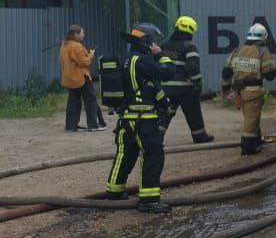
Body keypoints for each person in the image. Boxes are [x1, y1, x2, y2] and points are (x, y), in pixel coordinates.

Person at [105, 22, 175, 213]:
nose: (156, 44)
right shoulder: (143, 61)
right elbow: (168, 73)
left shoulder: (125, 59)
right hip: (143, 120)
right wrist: (160, 55)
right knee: (153, 155)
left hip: (126, 119)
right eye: (154, 41)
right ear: (147, 42)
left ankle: (114, 191)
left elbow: (149, 87)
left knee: (125, 154)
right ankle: (149, 200)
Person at [221, 23, 276, 155]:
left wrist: (225, 89)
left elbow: (226, 72)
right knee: (251, 119)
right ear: (263, 37)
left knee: (249, 117)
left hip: (240, 91)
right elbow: (270, 74)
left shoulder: (236, 51)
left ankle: (256, 140)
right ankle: (247, 147)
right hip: (254, 91)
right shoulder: (262, 52)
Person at [159, 16, 214, 144]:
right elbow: (192, 67)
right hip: (185, 88)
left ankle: (157, 137)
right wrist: (198, 83)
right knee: (193, 111)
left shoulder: (164, 45)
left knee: (164, 113)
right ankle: (199, 136)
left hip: (166, 87)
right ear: (189, 31)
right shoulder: (190, 46)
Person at [60, 25, 107, 132]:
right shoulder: (76, 46)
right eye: (82, 33)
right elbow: (84, 62)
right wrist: (91, 54)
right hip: (81, 78)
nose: (83, 35)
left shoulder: (64, 45)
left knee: (73, 102)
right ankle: (93, 125)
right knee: (90, 100)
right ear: (76, 34)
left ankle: (71, 126)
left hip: (69, 79)